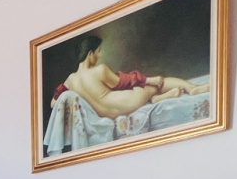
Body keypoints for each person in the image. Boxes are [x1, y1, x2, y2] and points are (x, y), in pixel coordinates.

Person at [54, 35, 208, 121]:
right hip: (127, 103)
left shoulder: (70, 80)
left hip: (108, 115)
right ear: (90, 54)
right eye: (98, 51)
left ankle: (157, 99)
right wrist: (149, 80)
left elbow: (54, 103)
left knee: (150, 90)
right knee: (157, 85)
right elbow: (124, 81)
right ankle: (192, 88)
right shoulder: (100, 70)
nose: (100, 55)